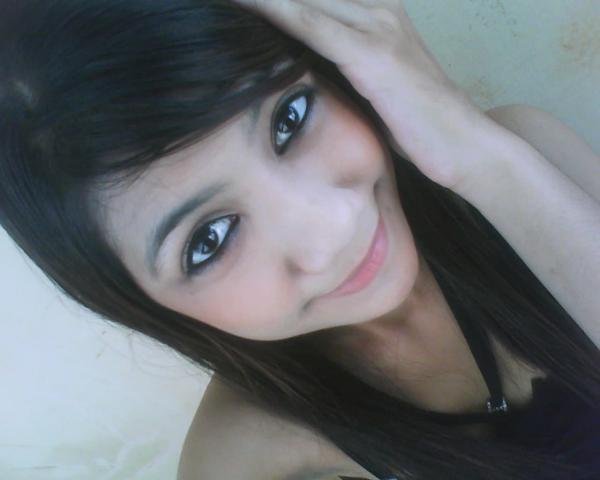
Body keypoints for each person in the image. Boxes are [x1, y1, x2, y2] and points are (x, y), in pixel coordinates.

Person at [1, 1, 598, 478]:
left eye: (290, 117)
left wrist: (482, 159)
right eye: (209, 239)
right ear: (140, 302)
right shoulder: (249, 461)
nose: (332, 227)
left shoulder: (519, 167)